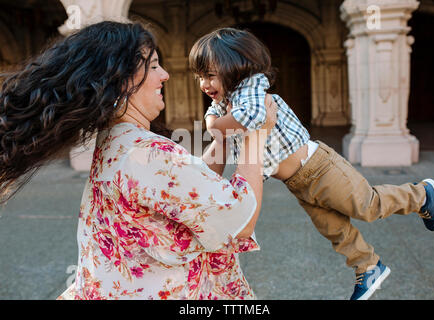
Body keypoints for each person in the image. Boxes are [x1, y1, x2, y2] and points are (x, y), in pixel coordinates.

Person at [0, 21, 278, 300]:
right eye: (154, 65)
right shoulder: (147, 154)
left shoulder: (116, 140)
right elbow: (241, 222)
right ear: (122, 79)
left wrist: (223, 140)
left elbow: (191, 187)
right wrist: (257, 132)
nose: (166, 75)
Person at [188, 27, 434, 300]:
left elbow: (249, 117)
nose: (204, 85)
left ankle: (421, 195)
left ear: (236, 68)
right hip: (298, 181)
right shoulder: (225, 101)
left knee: (367, 205)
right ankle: (368, 266)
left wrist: (216, 125)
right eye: (199, 77)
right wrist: (215, 123)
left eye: (209, 75)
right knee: (334, 229)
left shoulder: (251, 88)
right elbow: (212, 119)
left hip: (320, 167)